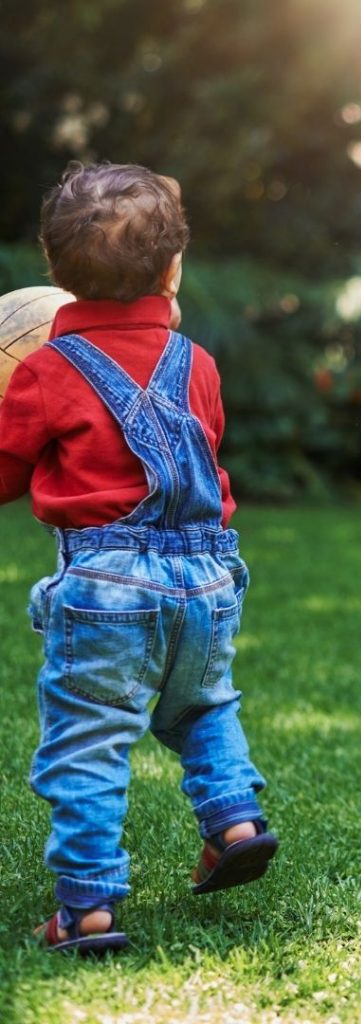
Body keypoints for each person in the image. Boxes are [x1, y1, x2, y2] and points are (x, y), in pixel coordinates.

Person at [0, 162, 277, 954]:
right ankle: (234, 822)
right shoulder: (200, 364)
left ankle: (87, 907)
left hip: (107, 589)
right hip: (209, 578)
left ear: (53, 272)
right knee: (202, 707)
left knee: (89, 742)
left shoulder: (46, 370)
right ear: (173, 269)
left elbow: (7, 472)